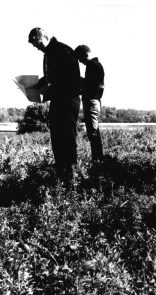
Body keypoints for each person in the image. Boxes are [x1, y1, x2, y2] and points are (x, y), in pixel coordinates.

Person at [28, 28, 81, 183]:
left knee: (67, 138)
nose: (37, 47)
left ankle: (71, 176)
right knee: (57, 137)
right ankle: (61, 174)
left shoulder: (63, 51)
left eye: (38, 43)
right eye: (34, 46)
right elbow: (51, 76)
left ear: (45, 37)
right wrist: (36, 85)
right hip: (58, 100)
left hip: (68, 100)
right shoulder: (49, 54)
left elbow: (70, 79)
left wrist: (50, 89)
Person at [75, 45, 105, 165]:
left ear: (86, 55)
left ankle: (98, 161)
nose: (80, 62)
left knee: (93, 132)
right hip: (92, 102)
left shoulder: (93, 66)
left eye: (80, 59)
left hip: (92, 102)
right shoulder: (94, 65)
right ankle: (97, 160)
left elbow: (91, 87)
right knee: (93, 132)